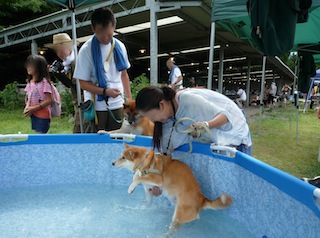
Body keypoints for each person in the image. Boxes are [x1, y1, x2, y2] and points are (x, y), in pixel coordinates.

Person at [136, 86, 252, 156]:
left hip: (234, 130)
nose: (152, 121)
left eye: (152, 117)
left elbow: (225, 117)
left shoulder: (188, 100)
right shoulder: (168, 116)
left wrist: (206, 125)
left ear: (161, 105)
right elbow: (164, 146)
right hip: (216, 136)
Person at [73, 7, 132, 131]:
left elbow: (124, 75)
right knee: (99, 140)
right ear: (93, 29)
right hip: (97, 106)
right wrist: (105, 92)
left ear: (114, 27)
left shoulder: (120, 46)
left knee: (117, 139)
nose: (106, 38)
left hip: (118, 103)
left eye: (109, 34)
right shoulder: (86, 50)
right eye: (101, 33)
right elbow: (83, 84)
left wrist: (129, 99)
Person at [45, 33, 82, 133]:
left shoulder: (76, 61)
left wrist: (59, 75)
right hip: (78, 102)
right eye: (57, 51)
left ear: (69, 47)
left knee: (78, 131)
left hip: (84, 102)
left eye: (61, 50)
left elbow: (76, 84)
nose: (59, 54)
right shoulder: (67, 63)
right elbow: (69, 84)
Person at [24, 55, 53, 134]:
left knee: (39, 136)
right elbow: (28, 97)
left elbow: (50, 100)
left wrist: (34, 108)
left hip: (43, 115)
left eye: (31, 65)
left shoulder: (44, 82)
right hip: (33, 114)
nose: (28, 67)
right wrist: (27, 108)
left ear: (39, 67)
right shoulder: (30, 82)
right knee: (38, 135)